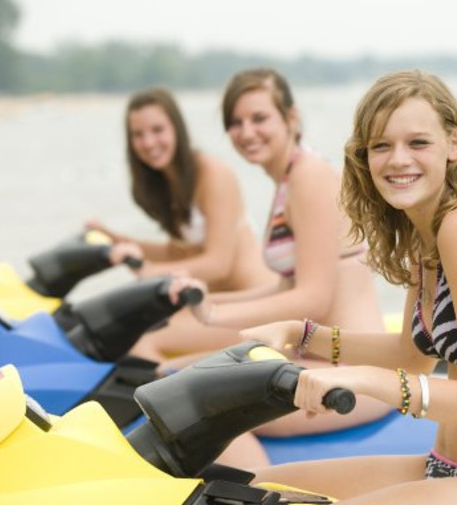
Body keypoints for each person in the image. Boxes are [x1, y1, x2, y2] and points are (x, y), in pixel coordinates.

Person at [238, 70, 457, 504]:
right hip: (444, 470)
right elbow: (412, 355)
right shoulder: (425, 235)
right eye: (381, 145)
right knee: (251, 490)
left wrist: (365, 381)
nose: (397, 159)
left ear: (454, 145)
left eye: (418, 143)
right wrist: (300, 335)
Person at [145, 67, 391, 437]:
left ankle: (255, 485)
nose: (246, 132)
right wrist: (209, 305)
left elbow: (313, 299)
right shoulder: (289, 180)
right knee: (171, 375)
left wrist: (214, 315)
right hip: (314, 360)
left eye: (259, 118)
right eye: (235, 122)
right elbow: (286, 285)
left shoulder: (309, 177)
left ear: (291, 118)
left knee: (199, 410)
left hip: (352, 374)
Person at [86, 87, 275, 293]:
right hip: (211, 301)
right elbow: (175, 253)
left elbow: (219, 264)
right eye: (138, 134)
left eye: (158, 130)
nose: (148, 143)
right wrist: (113, 239)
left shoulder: (212, 173)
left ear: (177, 128)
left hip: (253, 296)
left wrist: (151, 272)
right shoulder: (165, 183)